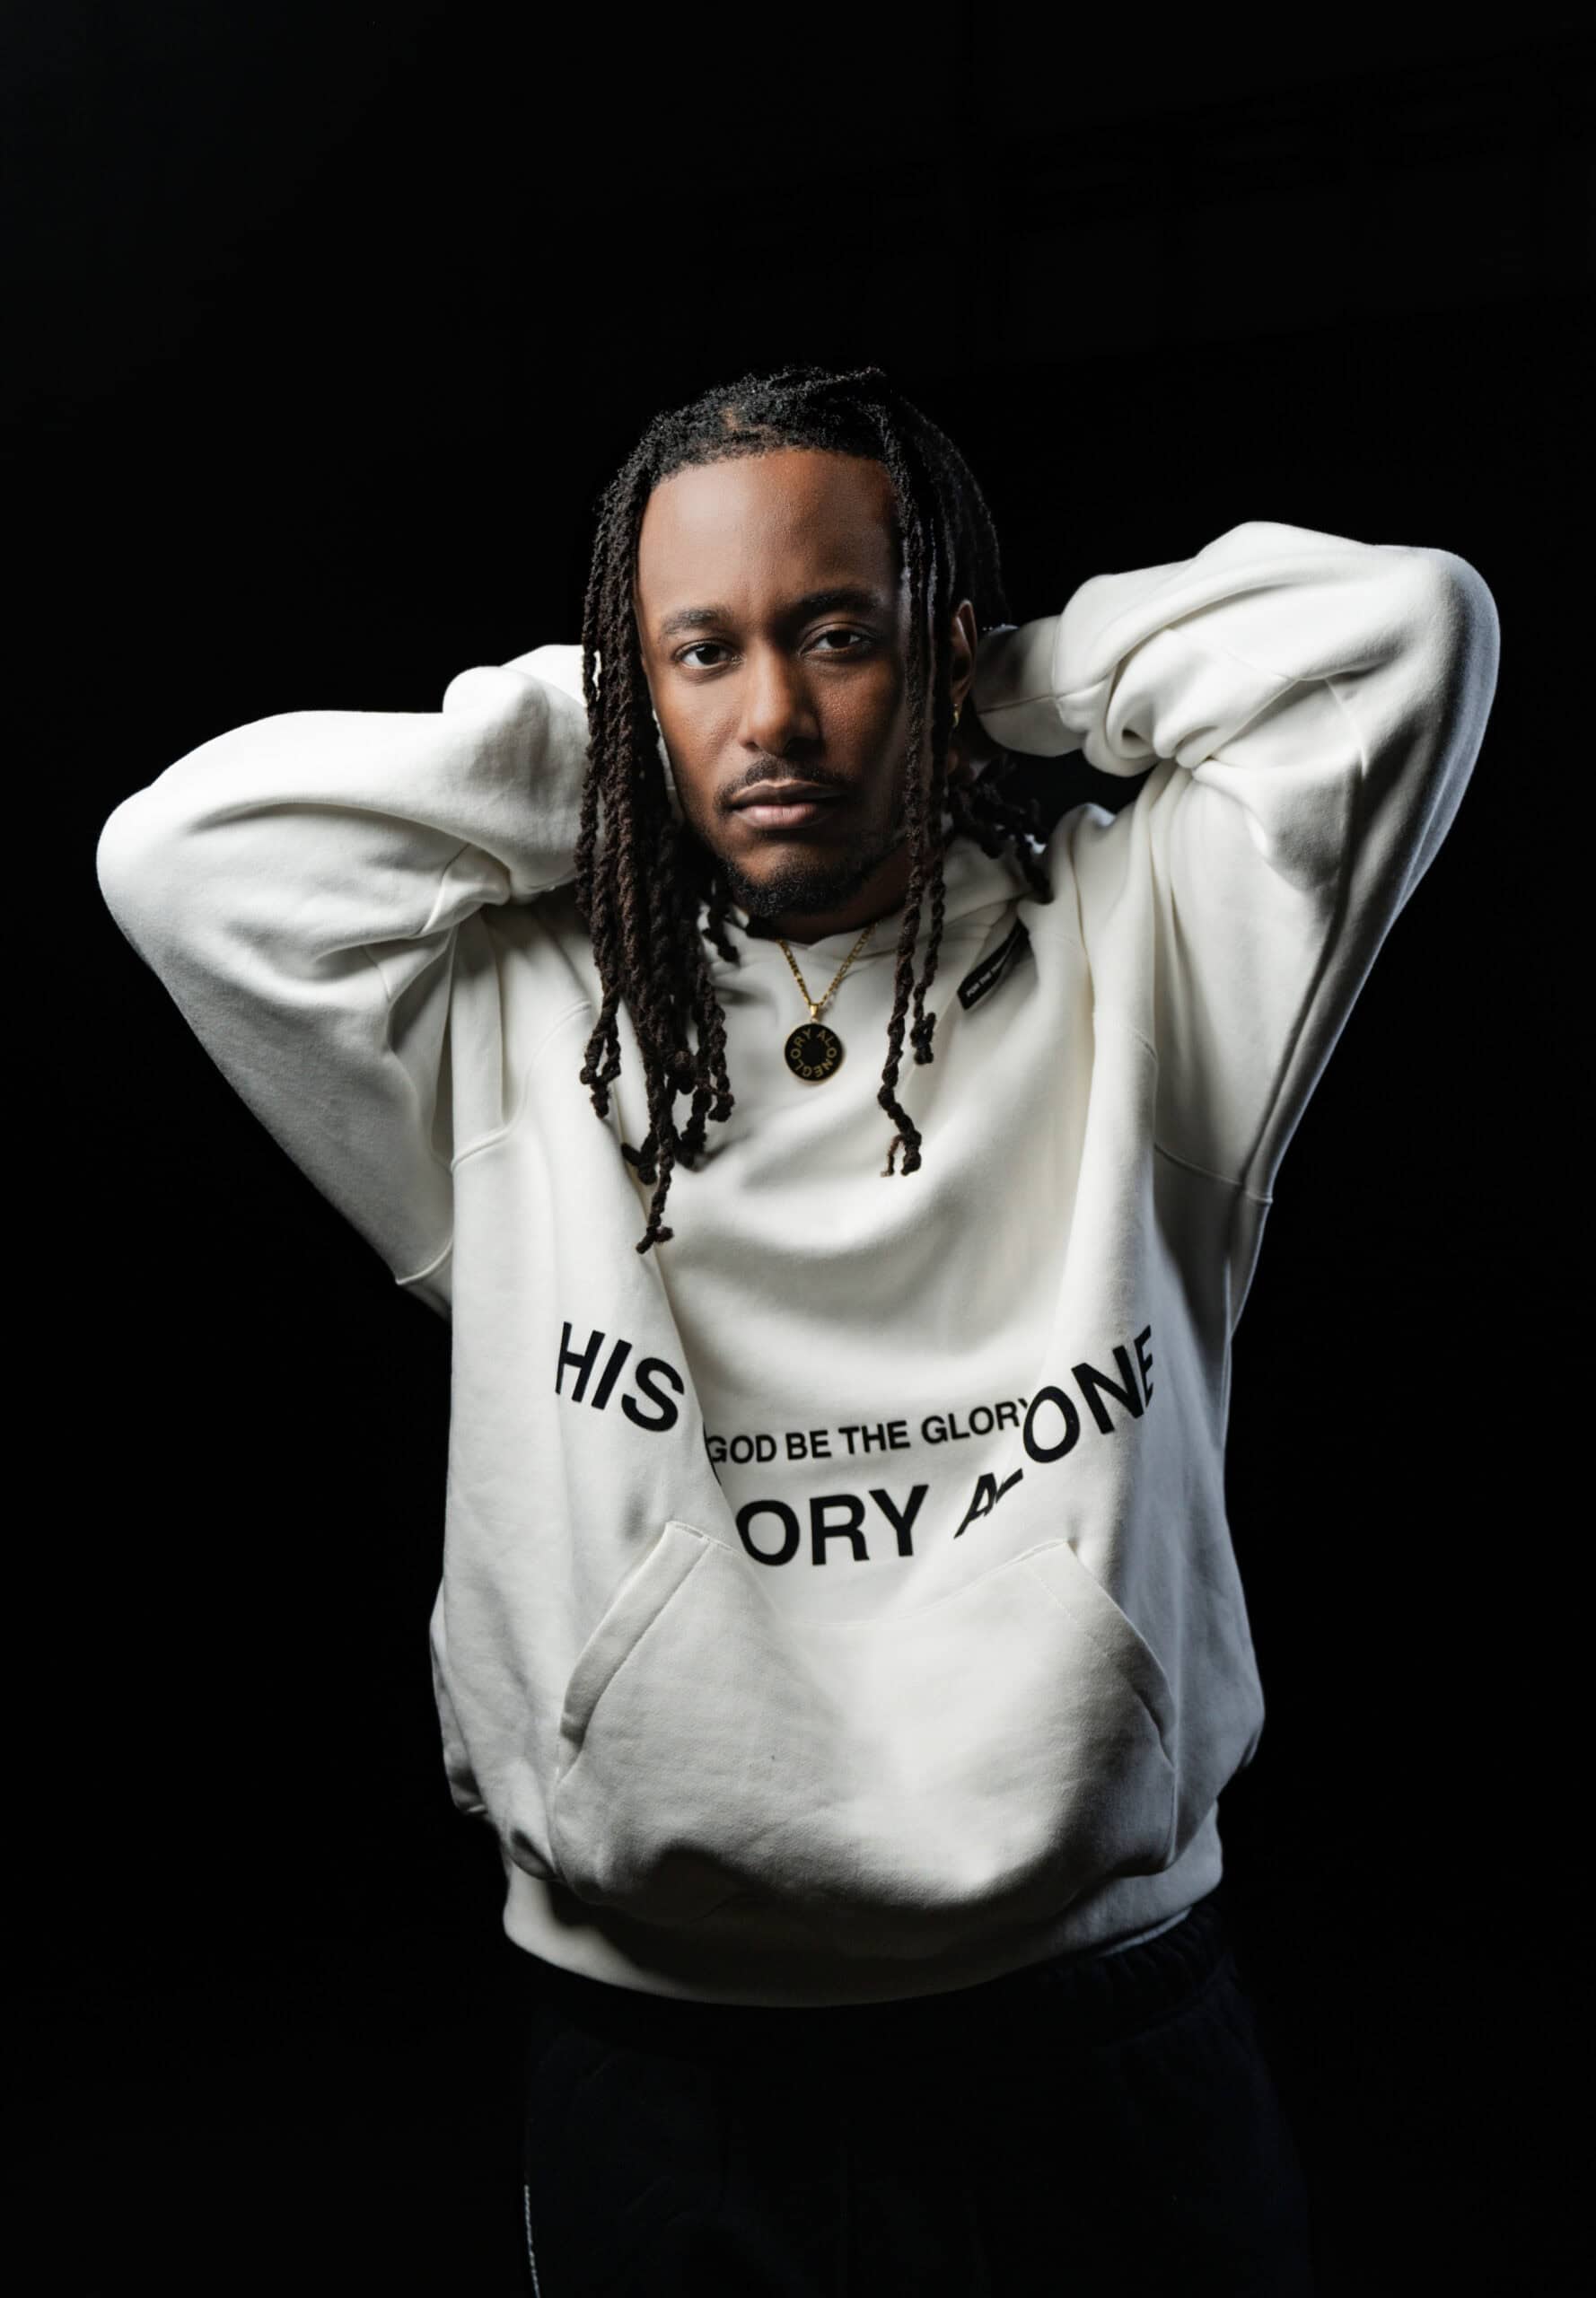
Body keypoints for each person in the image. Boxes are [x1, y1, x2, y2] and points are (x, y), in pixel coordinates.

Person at [94, 362, 1501, 2294]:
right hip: (668, 2060)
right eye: (703, 652)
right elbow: (180, 857)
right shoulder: (521, 1018)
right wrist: (626, 723)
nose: (771, 715)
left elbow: (1398, 632)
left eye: (838, 635)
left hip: (1093, 2029)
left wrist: (988, 680)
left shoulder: (1150, 948)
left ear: (937, 645)